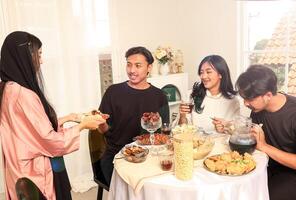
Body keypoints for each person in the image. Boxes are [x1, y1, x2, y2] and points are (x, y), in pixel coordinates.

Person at [0, 31, 106, 200]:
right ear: (23, 56)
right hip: (34, 171)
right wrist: (83, 126)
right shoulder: (24, 95)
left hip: (18, 166)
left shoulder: (8, 87)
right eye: (38, 54)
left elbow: (28, 128)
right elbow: (49, 141)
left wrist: (70, 117)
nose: (41, 61)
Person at [98, 46, 169, 185]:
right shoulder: (113, 92)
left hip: (150, 155)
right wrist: (100, 122)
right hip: (118, 156)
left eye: (138, 65)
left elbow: (164, 133)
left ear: (149, 67)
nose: (131, 70)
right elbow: (104, 130)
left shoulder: (159, 95)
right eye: (129, 65)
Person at [236, 65, 296, 200]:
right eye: (244, 98)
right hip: (266, 166)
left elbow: (262, 145)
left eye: (249, 99)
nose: (245, 103)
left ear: (268, 95)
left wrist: (264, 146)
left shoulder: (293, 113)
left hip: (290, 173)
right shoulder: (257, 110)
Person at [179, 55, 240, 132]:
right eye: (201, 72)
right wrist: (182, 116)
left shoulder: (233, 100)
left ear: (220, 74)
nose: (203, 76)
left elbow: (236, 132)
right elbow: (182, 131)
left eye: (208, 72)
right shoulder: (191, 95)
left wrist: (226, 128)